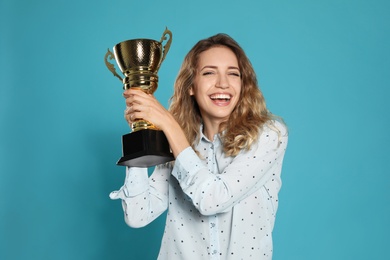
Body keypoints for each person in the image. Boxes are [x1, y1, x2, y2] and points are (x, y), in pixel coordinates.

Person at [109, 33, 288, 259]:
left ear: (243, 85)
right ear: (191, 85)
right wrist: (140, 131)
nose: (223, 83)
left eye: (233, 74)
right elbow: (138, 214)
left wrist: (167, 123)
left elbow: (213, 199)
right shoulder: (178, 139)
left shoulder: (269, 135)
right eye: (209, 72)